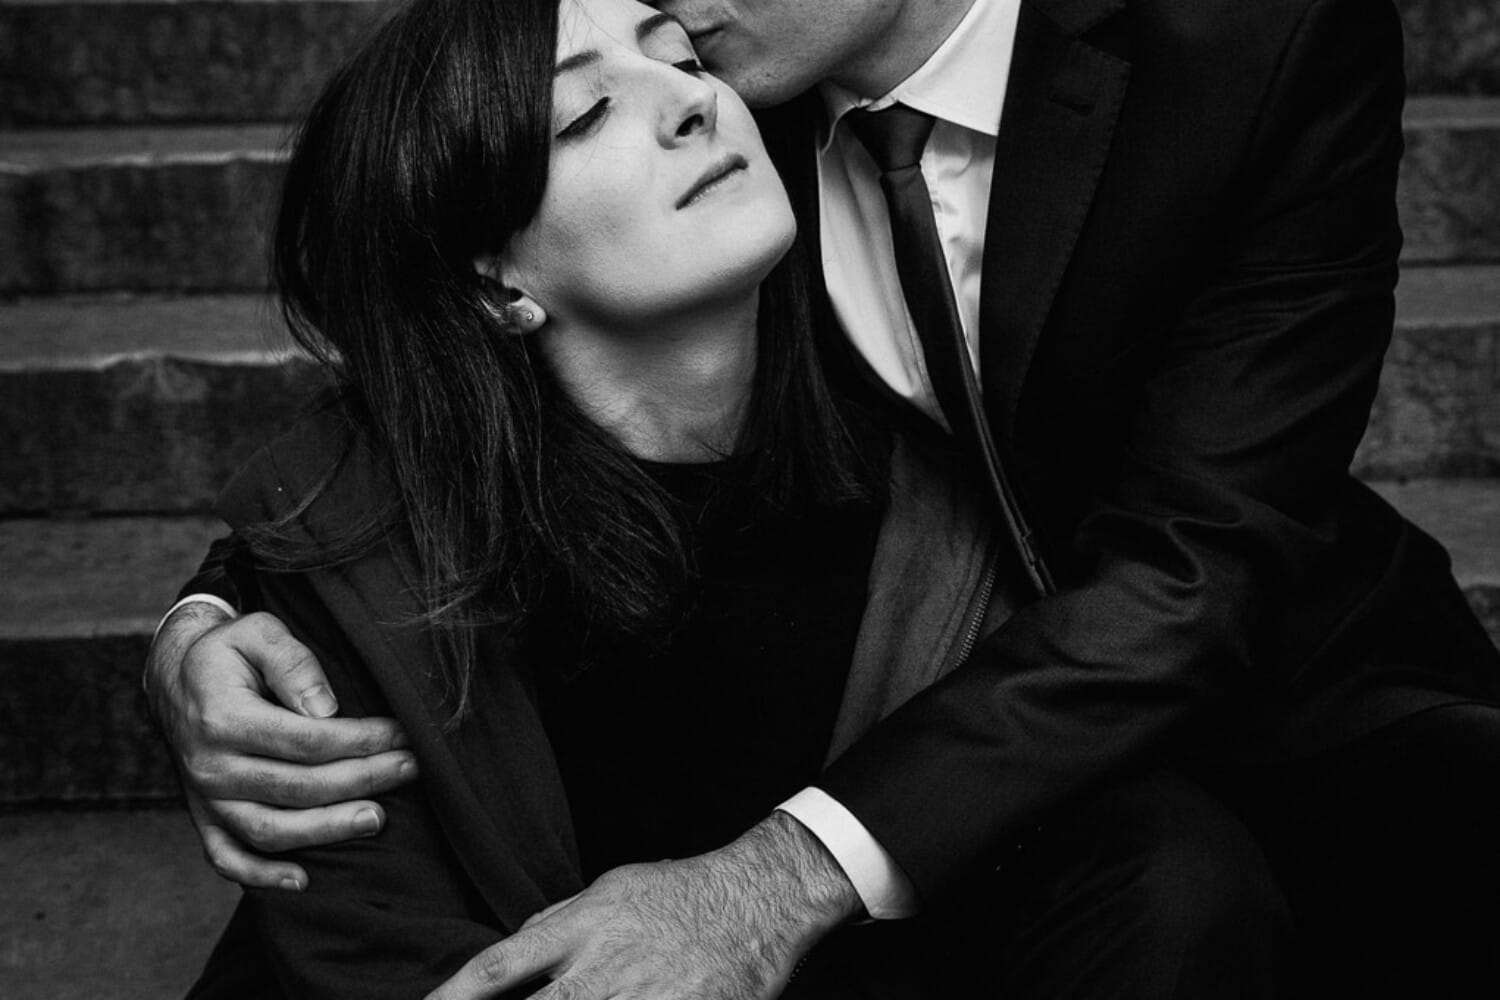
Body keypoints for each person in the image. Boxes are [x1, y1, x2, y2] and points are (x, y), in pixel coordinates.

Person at [151, 0, 1500, 996]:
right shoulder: (742, 94)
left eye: (668, 61)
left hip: (1239, 679)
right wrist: (214, 623)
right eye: (601, 94)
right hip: (858, 696)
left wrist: (765, 886)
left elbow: (1193, 569)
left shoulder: (1253, 47)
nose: (676, 66)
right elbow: (420, 361)